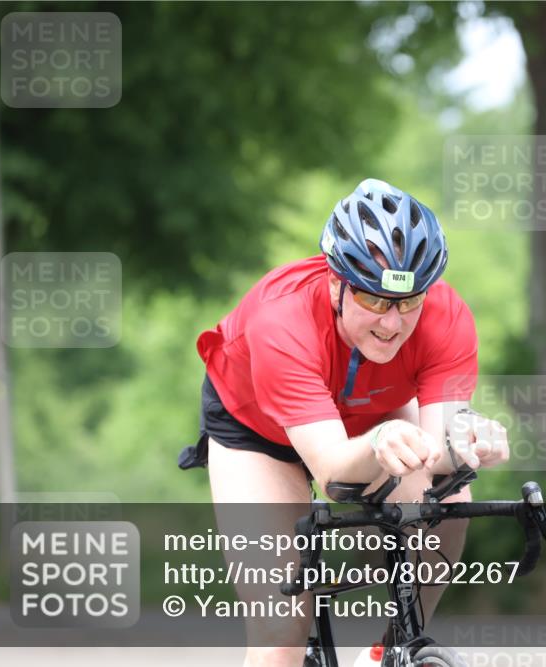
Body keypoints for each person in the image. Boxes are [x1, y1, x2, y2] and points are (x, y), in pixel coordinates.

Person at [179, 178, 510, 667]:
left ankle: (388, 650)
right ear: (336, 283)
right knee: (281, 634)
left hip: (372, 411)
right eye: (375, 300)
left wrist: (470, 441)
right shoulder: (282, 320)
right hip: (256, 430)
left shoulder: (446, 317)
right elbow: (335, 472)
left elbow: (442, 444)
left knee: (450, 499)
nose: (392, 323)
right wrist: (381, 440)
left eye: (409, 301)